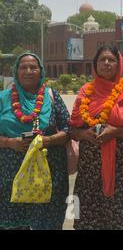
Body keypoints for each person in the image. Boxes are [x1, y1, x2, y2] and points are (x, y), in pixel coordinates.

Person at [70, 45, 123, 230]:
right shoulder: (85, 92)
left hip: (122, 174)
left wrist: (117, 131)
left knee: (118, 223)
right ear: (95, 64)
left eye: (111, 60)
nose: (106, 63)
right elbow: (71, 130)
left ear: (119, 64)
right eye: (102, 59)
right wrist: (85, 134)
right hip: (89, 175)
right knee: (87, 223)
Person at [0, 53, 70, 230]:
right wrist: (9, 142)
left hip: (48, 177)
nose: (28, 71)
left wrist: (49, 140)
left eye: (33, 67)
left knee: (47, 223)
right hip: (10, 178)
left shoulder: (51, 96)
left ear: (41, 71)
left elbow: (69, 130)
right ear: (16, 71)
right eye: (23, 67)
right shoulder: (3, 98)